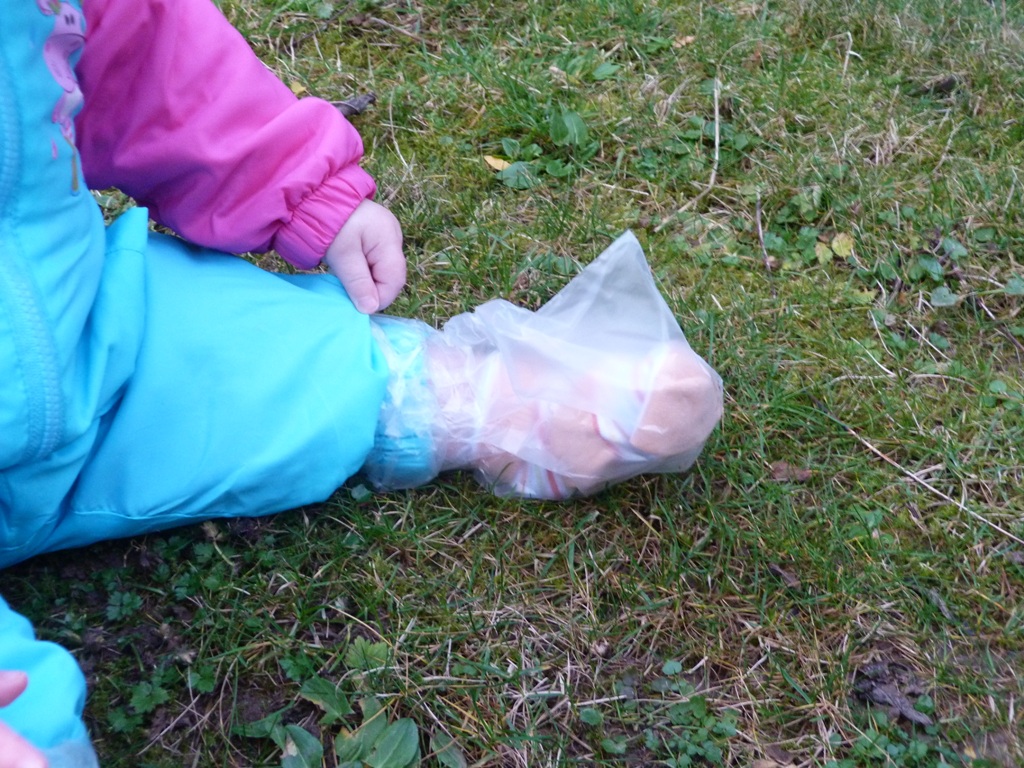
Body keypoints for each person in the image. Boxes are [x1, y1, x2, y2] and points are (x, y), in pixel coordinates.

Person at [1, 0, 723, 762]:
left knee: (289, 355)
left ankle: (463, 400)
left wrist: (290, 181)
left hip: (74, 336)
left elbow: (137, 54)